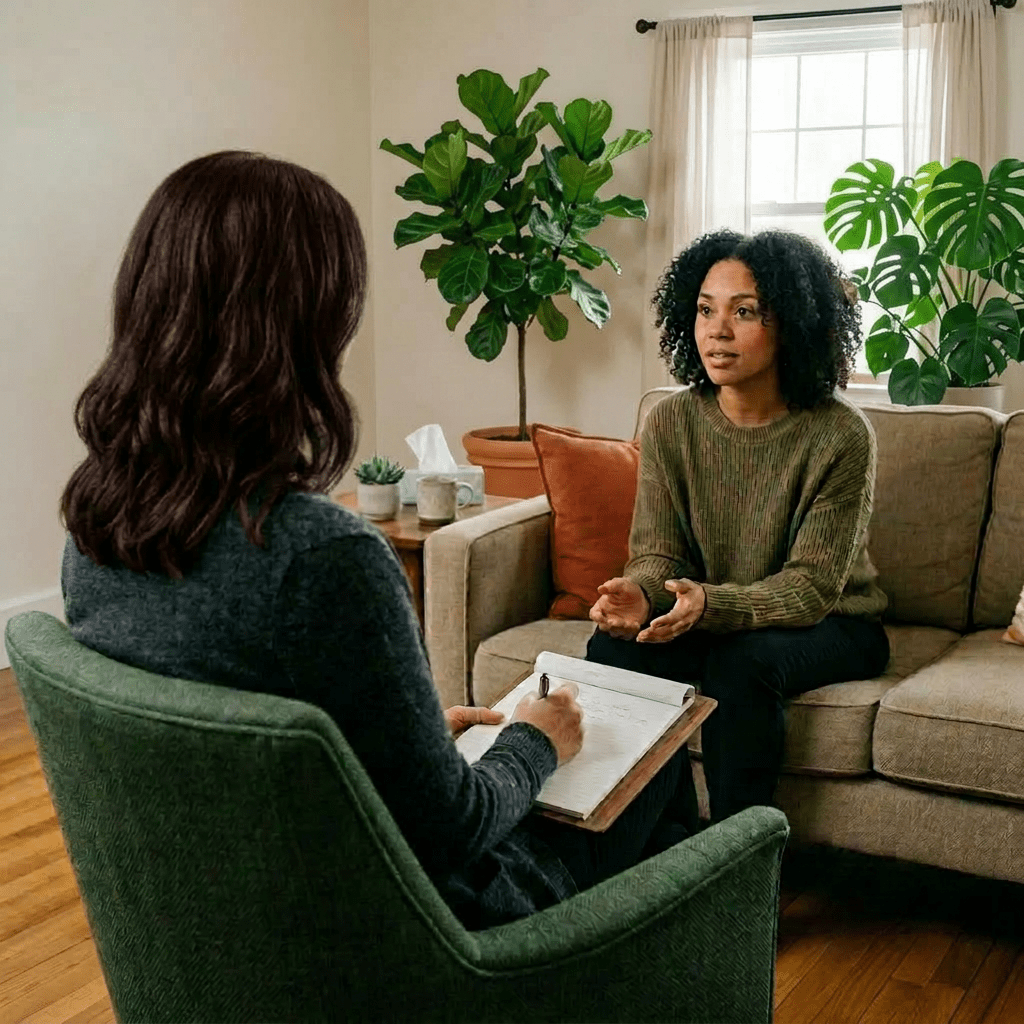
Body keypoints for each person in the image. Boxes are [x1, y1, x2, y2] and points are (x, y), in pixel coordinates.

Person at [58, 150, 689, 931]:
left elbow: (242, 737)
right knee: (653, 771)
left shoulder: (96, 532)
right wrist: (534, 741)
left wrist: (408, 742)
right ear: (308, 325)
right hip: (412, 934)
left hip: (228, 921)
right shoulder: (321, 556)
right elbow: (450, 832)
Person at [588, 228, 892, 826]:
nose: (716, 330)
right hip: (711, 614)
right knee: (611, 649)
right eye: (704, 310)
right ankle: (667, 848)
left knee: (741, 664)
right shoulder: (671, 420)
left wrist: (708, 607)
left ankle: (740, 868)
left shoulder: (840, 435)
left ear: (792, 326)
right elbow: (657, 554)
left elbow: (809, 587)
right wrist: (640, 593)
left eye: (744, 312)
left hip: (836, 623)